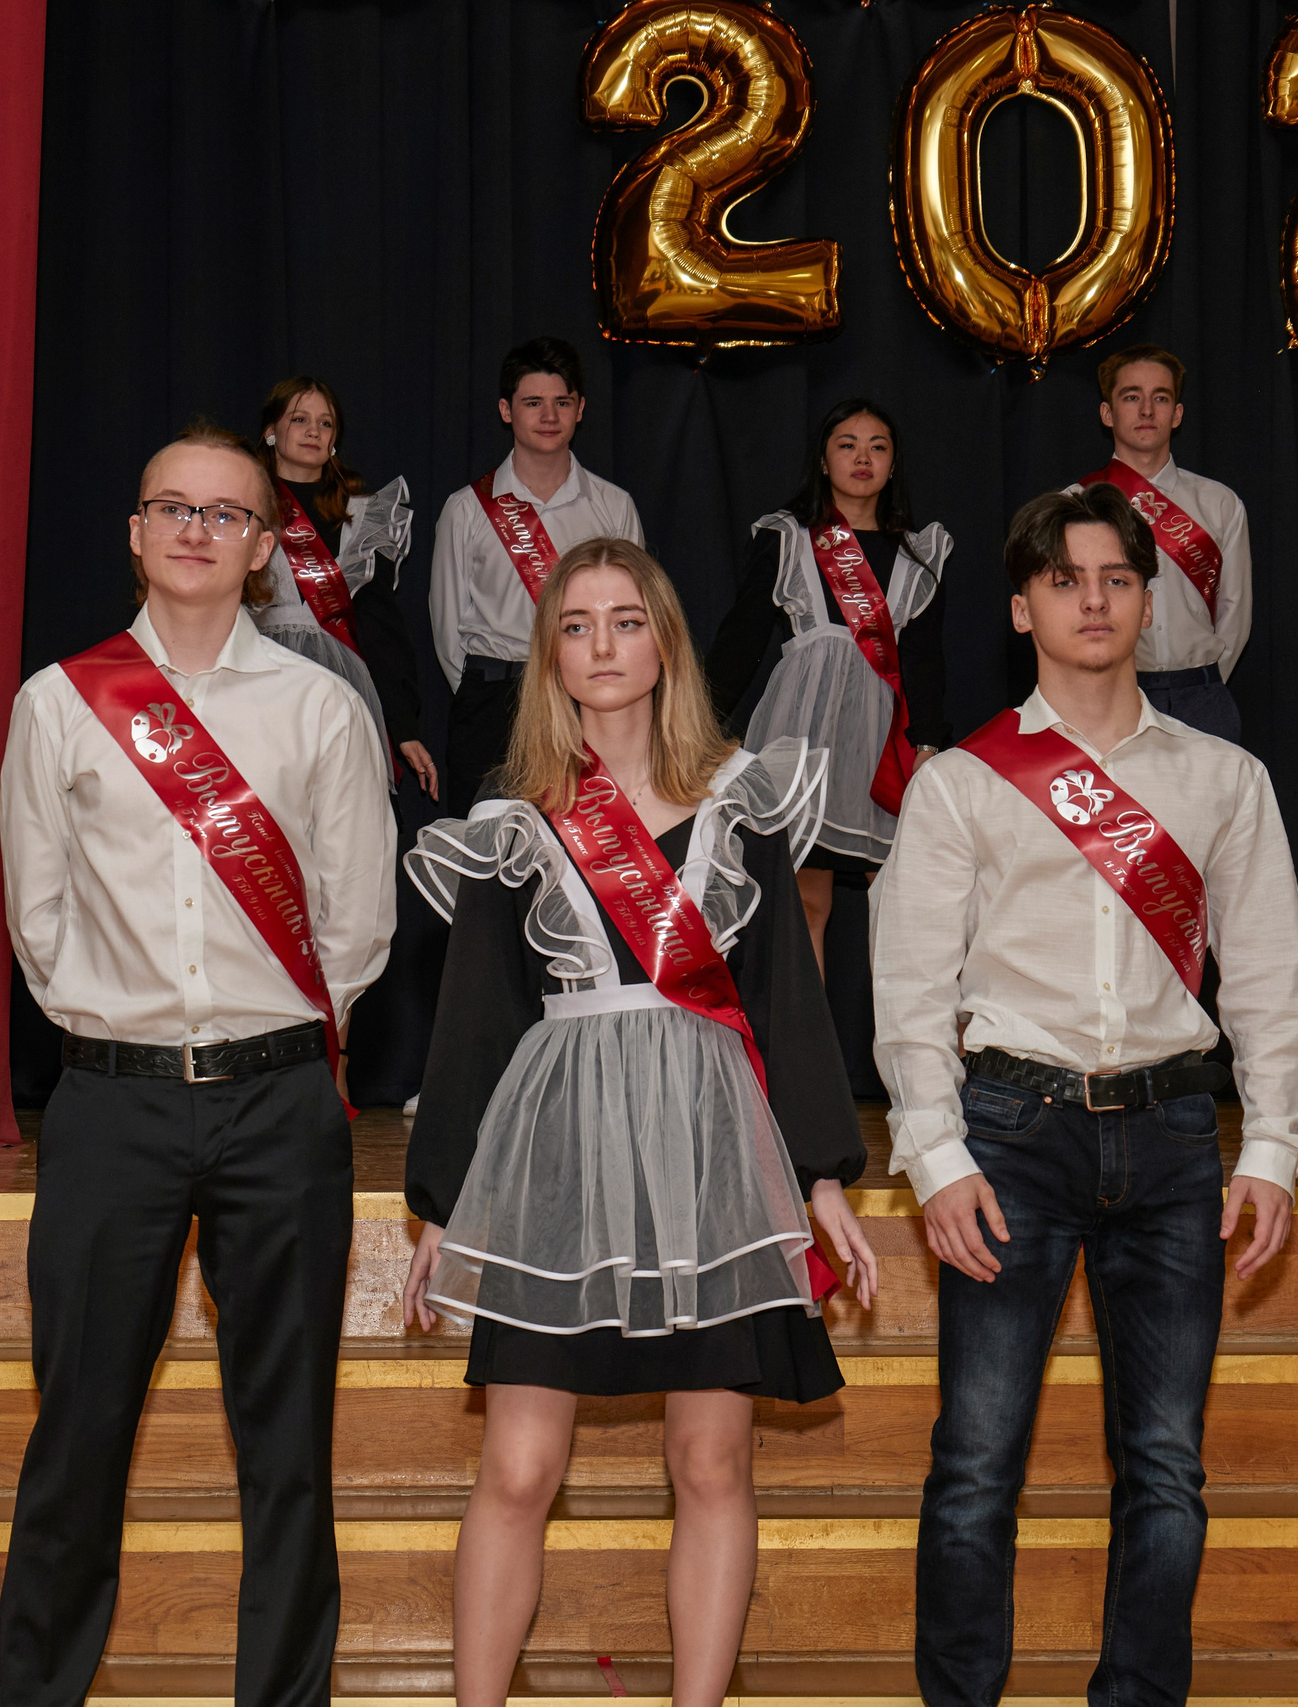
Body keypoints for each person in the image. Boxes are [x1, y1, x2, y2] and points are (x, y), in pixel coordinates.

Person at [400, 536, 878, 1707]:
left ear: (663, 641)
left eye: (625, 621)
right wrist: (442, 1205)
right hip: (556, 1161)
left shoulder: (743, 798)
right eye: (575, 625)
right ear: (548, 655)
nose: (602, 645)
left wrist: (821, 1176)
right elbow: (474, 1023)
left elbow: (784, 998)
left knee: (711, 1458)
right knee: (516, 1469)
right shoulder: (514, 822)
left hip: (710, 1154)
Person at [869, 486, 1298, 1707]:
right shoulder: (964, 782)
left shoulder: (1224, 779)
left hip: (1175, 1134)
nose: (1093, 601)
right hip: (1009, 1136)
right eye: (1065, 581)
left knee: (1165, 1471)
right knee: (973, 1467)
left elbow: (1273, 972)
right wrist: (934, 1153)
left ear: (1146, 596)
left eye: (1116, 579)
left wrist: (1275, 1144)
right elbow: (909, 991)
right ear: (1022, 608)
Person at [0, 424, 398, 1707]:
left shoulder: (320, 705)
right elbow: (36, 920)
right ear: (134, 531)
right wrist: (124, 1027)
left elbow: (357, 921)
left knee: (287, 1446)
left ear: (262, 548)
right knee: (77, 1438)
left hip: (279, 1104)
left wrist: (267, 1030)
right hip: (111, 1104)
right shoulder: (59, 702)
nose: (194, 530)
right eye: (172, 506)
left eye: (224, 515)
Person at [703, 398, 952, 975]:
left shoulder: (920, 554)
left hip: (880, 742)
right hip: (803, 732)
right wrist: (699, 722)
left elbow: (925, 661)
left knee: (896, 897)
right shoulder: (789, 537)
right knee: (806, 897)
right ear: (822, 459)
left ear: (894, 464)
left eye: (878, 446)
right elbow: (741, 640)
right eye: (847, 444)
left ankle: (907, 1043)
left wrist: (930, 744)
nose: (862, 457)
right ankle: (807, 1052)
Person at [429, 336, 646, 812]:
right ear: (507, 411)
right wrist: (490, 692)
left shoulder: (613, 507)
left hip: (586, 700)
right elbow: (448, 632)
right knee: (486, 853)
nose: (549, 416)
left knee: (591, 853)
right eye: (533, 403)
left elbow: (636, 618)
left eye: (561, 402)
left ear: (580, 409)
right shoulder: (466, 510)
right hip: (493, 704)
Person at [253, 374, 436, 799]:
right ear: (270, 431)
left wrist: (402, 725)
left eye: (326, 422)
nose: (314, 431)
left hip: (343, 693)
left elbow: (380, 629)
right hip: (261, 689)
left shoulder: (363, 516)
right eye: (300, 419)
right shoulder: (242, 509)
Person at [1068, 343, 1253, 743]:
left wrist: (1205, 681)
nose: (1147, 410)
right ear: (1107, 412)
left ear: (1177, 414)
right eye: (1131, 396)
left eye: (1161, 398)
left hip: (1202, 697)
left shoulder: (1220, 503)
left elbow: (1235, 611)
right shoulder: (1075, 503)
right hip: (1109, 693)